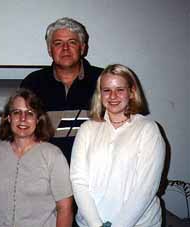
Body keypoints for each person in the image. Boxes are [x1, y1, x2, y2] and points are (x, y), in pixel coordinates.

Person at [70, 64, 165, 227]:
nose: (113, 96)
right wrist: (95, 224)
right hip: (90, 223)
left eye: (120, 89)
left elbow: (146, 188)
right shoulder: (87, 129)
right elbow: (78, 180)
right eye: (107, 90)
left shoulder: (148, 129)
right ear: (100, 94)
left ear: (132, 92)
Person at [0, 88, 73, 227]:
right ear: (8, 117)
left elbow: (65, 208)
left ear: (38, 119)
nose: (23, 119)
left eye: (30, 113)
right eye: (17, 112)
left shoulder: (53, 156)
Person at [20, 17, 102, 164]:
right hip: (45, 171)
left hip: (94, 172)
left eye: (72, 42)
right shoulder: (32, 83)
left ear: (82, 48)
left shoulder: (103, 80)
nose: (65, 48)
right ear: (49, 50)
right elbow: (21, 132)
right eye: (58, 43)